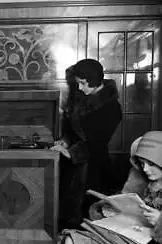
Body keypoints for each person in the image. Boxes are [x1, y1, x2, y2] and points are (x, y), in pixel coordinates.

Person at [60, 130, 162, 244]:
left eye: (151, 164)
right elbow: (128, 201)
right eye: (142, 164)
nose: (145, 169)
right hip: (128, 236)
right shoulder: (141, 180)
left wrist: (161, 220)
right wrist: (111, 207)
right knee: (72, 240)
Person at [51, 59, 122, 229]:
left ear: (95, 80)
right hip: (74, 166)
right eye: (78, 83)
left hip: (94, 166)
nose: (80, 88)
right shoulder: (84, 97)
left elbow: (97, 142)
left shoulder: (111, 108)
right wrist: (66, 141)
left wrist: (70, 152)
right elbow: (72, 129)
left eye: (82, 83)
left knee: (87, 214)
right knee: (67, 213)